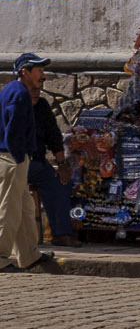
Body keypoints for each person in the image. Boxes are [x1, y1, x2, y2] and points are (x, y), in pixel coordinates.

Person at [0, 52, 54, 272]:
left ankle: (29, 254)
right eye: (39, 70)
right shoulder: (19, 94)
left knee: (24, 207)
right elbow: (13, 129)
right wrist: (19, 156)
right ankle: (1, 257)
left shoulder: (11, 90)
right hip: (13, 157)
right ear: (25, 71)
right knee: (9, 208)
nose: (43, 75)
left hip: (15, 157)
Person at [29, 87, 75, 244]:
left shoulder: (41, 106)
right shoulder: (13, 103)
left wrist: (61, 164)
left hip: (37, 163)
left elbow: (53, 136)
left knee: (60, 183)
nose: (37, 90)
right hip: (14, 161)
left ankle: (61, 233)